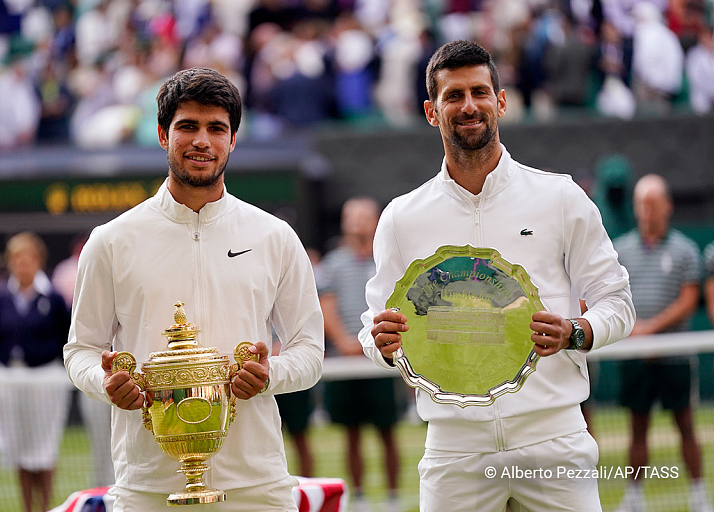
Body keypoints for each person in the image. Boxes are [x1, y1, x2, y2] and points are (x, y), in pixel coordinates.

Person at [360, 40, 635, 512]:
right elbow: (374, 327)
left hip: (554, 437)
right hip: (454, 449)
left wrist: (576, 332)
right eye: (453, 96)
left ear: (501, 101)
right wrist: (380, 344)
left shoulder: (560, 197)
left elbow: (618, 302)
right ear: (431, 111)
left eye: (480, 92)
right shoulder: (401, 217)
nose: (469, 106)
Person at [63, 67, 324, 512]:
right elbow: (80, 351)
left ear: (233, 140)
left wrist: (269, 376)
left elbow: (309, 350)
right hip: (148, 487)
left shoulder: (275, 236)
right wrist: (105, 383)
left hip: (256, 485)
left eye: (216, 128)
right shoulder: (111, 240)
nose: (202, 140)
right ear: (163, 134)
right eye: (188, 126)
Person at [613, 174, 713, 512]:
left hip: (675, 357)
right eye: (642, 204)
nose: (647, 211)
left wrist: (649, 329)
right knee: (636, 429)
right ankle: (634, 498)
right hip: (634, 356)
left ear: (667, 206)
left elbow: (688, 301)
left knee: (686, 425)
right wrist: (633, 332)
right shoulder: (621, 249)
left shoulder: (685, 250)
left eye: (653, 204)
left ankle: (699, 495)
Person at [319, 196, 402, 512]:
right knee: (350, 434)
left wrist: (374, 344)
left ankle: (393, 495)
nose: (356, 222)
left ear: (377, 219)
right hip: (345, 361)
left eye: (363, 216)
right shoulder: (332, 263)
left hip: (381, 360)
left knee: (388, 431)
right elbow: (327, 305)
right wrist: (347, 342)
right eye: (350, 216)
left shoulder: (388, 260)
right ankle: (361, 495)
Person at [0, 231, 71, 512]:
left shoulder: (54, 299)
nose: (22, 264)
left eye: (28, 258)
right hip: (11, 381)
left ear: (38, 260)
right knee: (20, 448)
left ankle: (46, 506)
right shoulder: (1, 297)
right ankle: (27, 507)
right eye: (16, 258)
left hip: (46, 380)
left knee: (44, 448)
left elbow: (65, 337)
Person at [51, 233, 115, 487]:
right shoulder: (66, 273)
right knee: (100, 445)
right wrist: (97, 377)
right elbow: (79, 341)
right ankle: (101, 493)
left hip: (133, 379)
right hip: (98, 373)